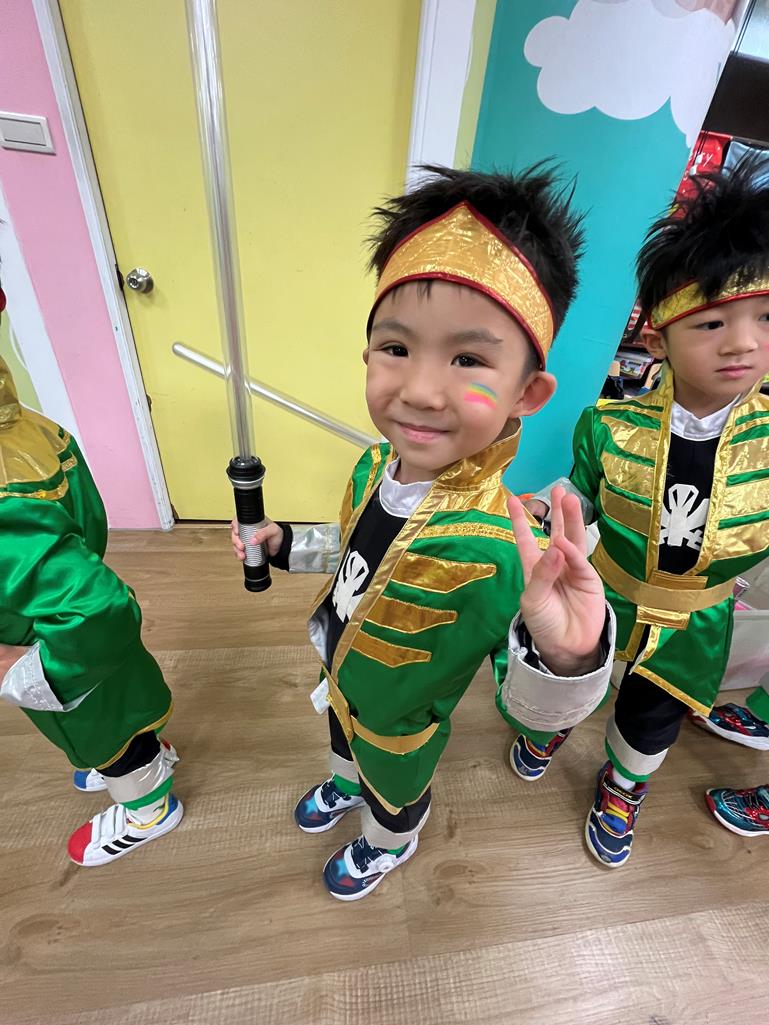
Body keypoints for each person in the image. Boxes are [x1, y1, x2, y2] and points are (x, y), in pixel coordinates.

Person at [232, 165, 616, 900]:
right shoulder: (370, 465)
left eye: (468, 359)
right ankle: (346, 781)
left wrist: (567, 657)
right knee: (343, 744)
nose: (419, 389)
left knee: (393, 789)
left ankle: (390, 840)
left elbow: (527, 705)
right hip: (340, 672)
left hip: (402, 722)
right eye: (396, 348)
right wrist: (283, 544)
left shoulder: (499, 546)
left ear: (526, 393)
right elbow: (357, 549)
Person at [520, 156, 769, 866]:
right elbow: (580, 490)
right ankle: (550, 726)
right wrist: (546, 505)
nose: (743, 342)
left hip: (697, 619)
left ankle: (622, 785)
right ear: (657, 339)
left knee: (651, 716)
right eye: (712, 322)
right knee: (569, 668)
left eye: (764, 317)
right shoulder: (607, 425)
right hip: (605, 591)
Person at [0, 278, 182, 867]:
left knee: (103, 732)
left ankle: (149, 808)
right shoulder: (30, 431)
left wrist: (26, 670)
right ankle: (145, 753)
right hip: (77, 631)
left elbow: (97, 609)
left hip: (63, 650)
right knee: (126, 709)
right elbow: (88, 524)